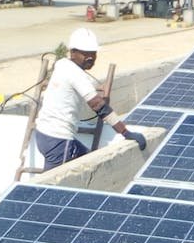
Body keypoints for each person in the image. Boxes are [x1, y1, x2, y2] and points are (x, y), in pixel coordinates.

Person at [33, 27, 146, 170]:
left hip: (44, 134)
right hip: (59, 139)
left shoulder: (62, 64)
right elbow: (99, 105)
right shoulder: (77, 75)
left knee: (91, 165)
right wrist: (126, 132)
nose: (90, 57)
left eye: (93, 53)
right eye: (85, 53)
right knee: (52, 186)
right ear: (73, 52)